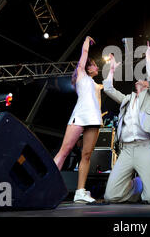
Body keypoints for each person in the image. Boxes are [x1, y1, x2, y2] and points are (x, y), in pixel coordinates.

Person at [102, 41, 150, 204]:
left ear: (147, 86)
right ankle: (138, 185)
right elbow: (108, 89)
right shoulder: (126, 99)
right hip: (126, 150)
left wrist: (148, 58)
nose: (141, 80)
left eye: (144, 80)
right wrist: (111, 69)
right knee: (111, 196)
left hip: (144, 147)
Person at [53, 36, 103, 203]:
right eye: (94, 64)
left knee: (86, 155)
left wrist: (112, 70)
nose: (97, 67)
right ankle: (45, 186)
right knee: (64, 151)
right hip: (80, 116)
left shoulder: (94, 84)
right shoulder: (81, 75)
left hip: (94, 118)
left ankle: (80, 192)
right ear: (87, 68)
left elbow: (107, 86)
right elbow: (84, 53)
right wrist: (87, 42)